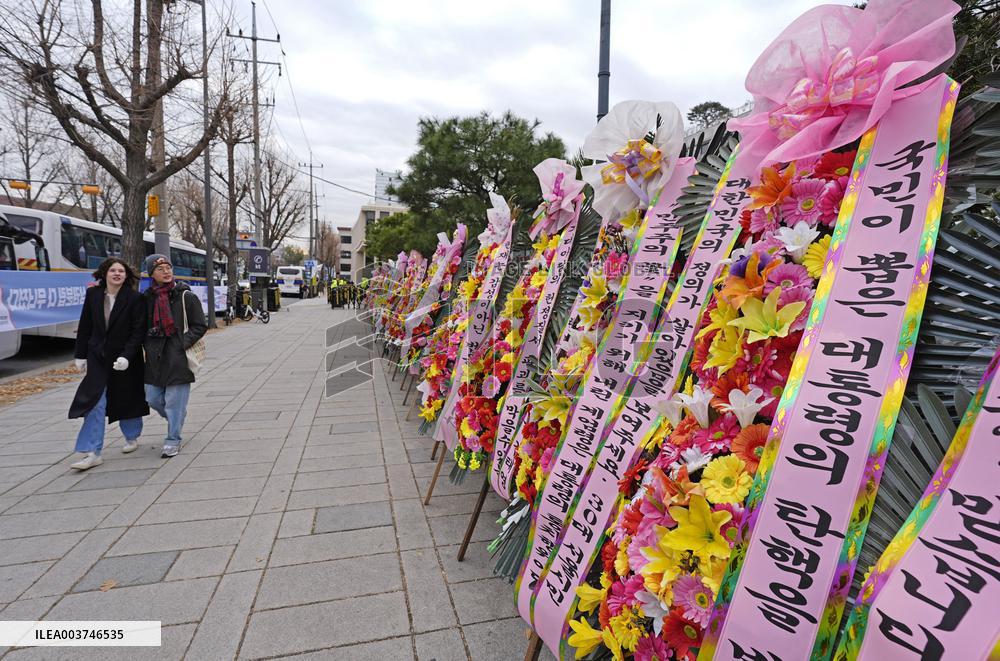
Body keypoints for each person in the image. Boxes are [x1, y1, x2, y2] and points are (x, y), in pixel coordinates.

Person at [68, 258, 149, 470]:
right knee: (95, 402)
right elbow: (85, 325)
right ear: (104, 273)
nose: (116, 274)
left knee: (126, 397)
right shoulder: (93, 295)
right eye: (112, 270)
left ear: (126, 276)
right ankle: (93, 451)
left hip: (124, 358)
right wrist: (81, 355)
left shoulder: (135, 299)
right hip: (98, 357)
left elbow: (137, 332)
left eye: (121, 271)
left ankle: (131, 436)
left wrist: (127, 356)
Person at [142, 254, 207, 458]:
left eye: (168, 267)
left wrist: (182, 343)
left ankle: (173, 439)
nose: (166, 271)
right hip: (154, 356)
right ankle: (177, 417)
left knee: (173, 401)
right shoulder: (146, 298)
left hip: (177, 355)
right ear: (151, 273)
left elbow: (199, 325)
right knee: (152, 398)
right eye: (160, 268)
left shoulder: (185, 295)